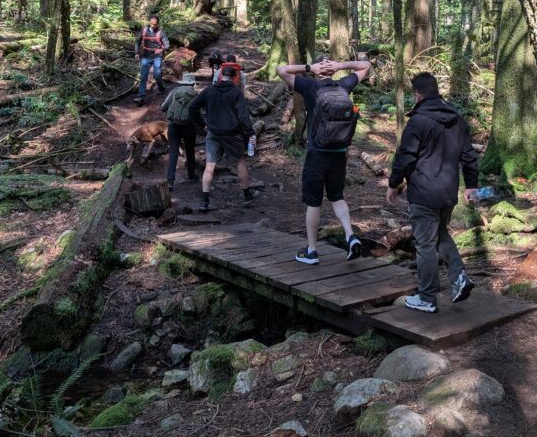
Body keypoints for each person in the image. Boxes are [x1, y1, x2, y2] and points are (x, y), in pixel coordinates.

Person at [387, 72, 479, 313]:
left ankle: (427, 297)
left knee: (425, 244)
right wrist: (471, 185)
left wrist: (393, 183)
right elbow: (469, 156)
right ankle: (459, 277)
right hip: (448, 193)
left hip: (424, 193)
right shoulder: (457, 119)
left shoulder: (418, 121)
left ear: (417, 95)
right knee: (438, 234)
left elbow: (405, 156)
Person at [276, 56, 372, 265]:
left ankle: (311, 251)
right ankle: (350, 236)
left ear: (317, 71)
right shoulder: (344, 85)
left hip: (317, 153)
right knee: (337, 196)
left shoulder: (310, 86)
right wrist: (341, 66)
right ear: (331, 71)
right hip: (339, 153)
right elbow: (366, 66)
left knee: (314, 202)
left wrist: (309, 67)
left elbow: (281, 70)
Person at [189, 64, 257, 210]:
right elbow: (243, 115)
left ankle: (205, 201)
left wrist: (202, 125)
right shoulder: (236, 93)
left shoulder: (209, 90)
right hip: (232, 134)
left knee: (210, 166)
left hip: (213, 133)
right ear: (234, 77)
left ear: (221, 75)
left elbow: (192, 107)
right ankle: (247, 195)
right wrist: (250, 132)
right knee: (239, 163)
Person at [160, 72, 200, 190]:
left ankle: (170, 181)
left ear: (182, 82)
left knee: (173, 152)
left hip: (174, 126)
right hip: (189, 127)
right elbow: (198, 112)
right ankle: (191, 176)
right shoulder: (195, 95)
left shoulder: (174, 92)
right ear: (192, 83)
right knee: (190, 151)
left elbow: (163, 107)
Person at [135, 15, 169, 104]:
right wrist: (136, 53)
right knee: (143, 76)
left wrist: (162, 49)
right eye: (151, 24)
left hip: (157, 56)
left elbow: (167, 45)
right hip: (145, 56)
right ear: (149, 22)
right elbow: (137, 41)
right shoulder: (144, 30)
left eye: (155, 24)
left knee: (156, 74)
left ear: (158, 24)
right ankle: (141, 96)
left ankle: (162, 88)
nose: (153, 26)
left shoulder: (161, 32)